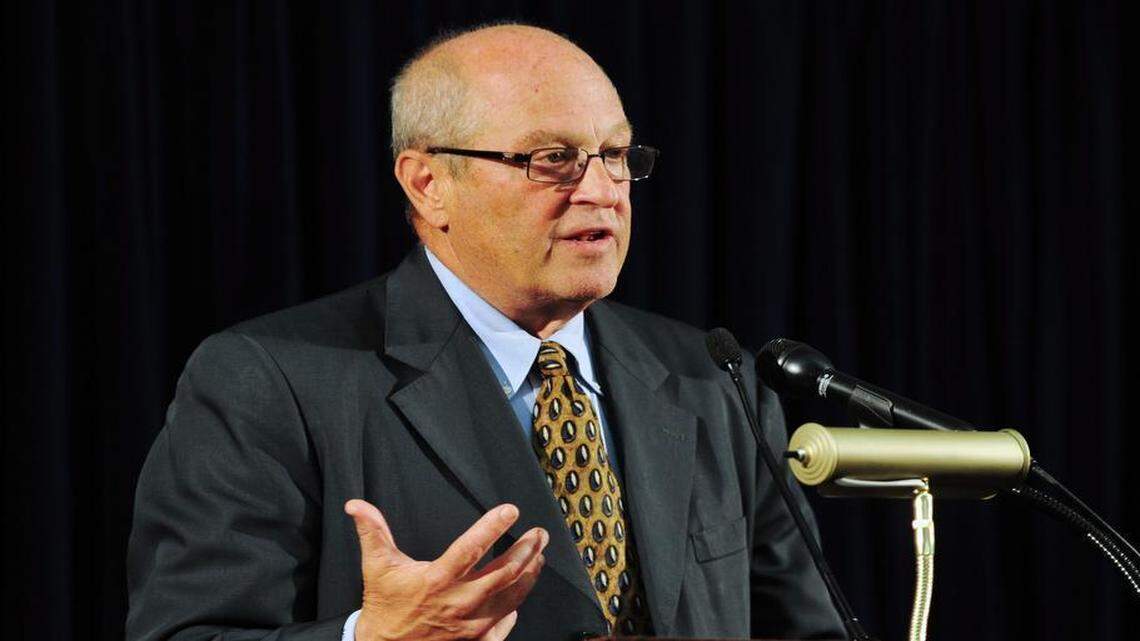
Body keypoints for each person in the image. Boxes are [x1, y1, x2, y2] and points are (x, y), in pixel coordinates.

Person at [126, 23, 845, 641]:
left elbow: (809, 627)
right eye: (550, 159)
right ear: (428, 184)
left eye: (617, 155)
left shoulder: (710, 377)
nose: (601, 190)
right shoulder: (269, 380)